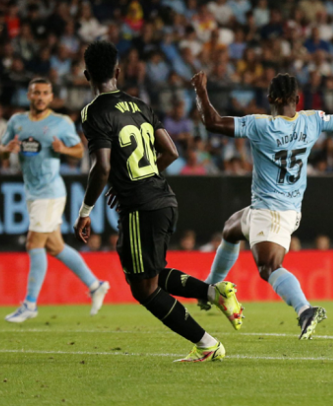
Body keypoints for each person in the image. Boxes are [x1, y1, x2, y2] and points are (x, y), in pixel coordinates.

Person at [74, 41, 242, 363]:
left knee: (143, 289)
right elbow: (171, 152)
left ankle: (207, 344)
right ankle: (213, 292)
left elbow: (102, 166)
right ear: (118, 72)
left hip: (140, 206)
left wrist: (86, 211)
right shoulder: (140, 105)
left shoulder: (92, 112)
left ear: (86, 75)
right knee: (151, 273)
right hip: (164, 198)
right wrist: (140, 177)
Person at [191, 71, 333, 339]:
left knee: (268, 267)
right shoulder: (311, 120)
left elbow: (212, 122)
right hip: (282, 209)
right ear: (297, 98)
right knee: (231, 228)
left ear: (269, 97)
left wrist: (201, 91)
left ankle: (304, 310)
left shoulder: (260, 125)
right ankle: (210, 289)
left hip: (272, 212)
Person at [0, 78, 110, 323]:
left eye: (45, 93)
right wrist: (7, 150)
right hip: (32, 192)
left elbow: (79, 151)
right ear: (28, 95)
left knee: (33, 243)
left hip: (49, 192)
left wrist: (63, 149)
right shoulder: (17, 121)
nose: (40, 97)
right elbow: (1, 150)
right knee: (55, 247)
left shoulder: (60, 123)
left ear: (51, 97)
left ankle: (30, 304)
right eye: (36, 92)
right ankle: (95, 284)